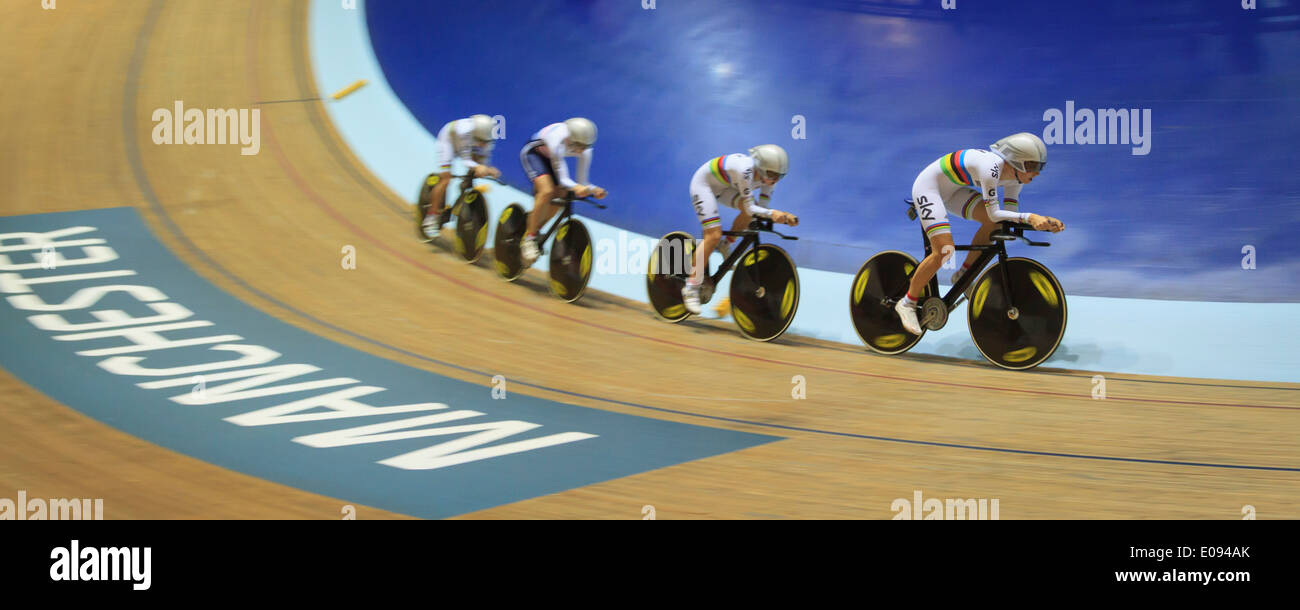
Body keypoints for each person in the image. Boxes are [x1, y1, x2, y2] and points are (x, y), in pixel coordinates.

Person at [895, 132, 1065, 335]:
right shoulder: (991, 168)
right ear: (1018, 162)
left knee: (997, 225)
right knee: (943, 252)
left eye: (1040, 167)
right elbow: (995, 213)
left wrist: (1043, 223)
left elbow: (1009, 216)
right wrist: (1030, 217)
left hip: (953, 190)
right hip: (929, 188)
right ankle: (907, 303)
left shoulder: (1017, 179)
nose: (1037, 173)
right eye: (1033, 166)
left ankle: (963, 274)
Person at [681, 145, 800, 315]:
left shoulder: (769, 176)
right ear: (760, 167)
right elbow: (752, 208)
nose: (775, 180)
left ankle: (726, 244)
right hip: (704, 186)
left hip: (726, 187)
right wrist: (774, 214)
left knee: (752, 213)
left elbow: (762, 207)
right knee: (712, 235)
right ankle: (691, 287)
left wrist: (780, 217)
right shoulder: (745, 171)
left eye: (780, 176)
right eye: (773, 175)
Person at [518, 118, 608, 265]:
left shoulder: (586, 149)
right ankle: (529, 238)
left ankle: (535, 228)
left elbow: (582, 182)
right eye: (579, 146)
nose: (582, 150)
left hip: (551, 158)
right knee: (547, 191)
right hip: (534, 153)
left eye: (586, 146)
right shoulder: (557, 140)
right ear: (570, 139)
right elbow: (564, 178)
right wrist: (577, 187)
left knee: (563, 196)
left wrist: (593, 189)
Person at [420, 114, 501, 241]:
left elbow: (483, 158)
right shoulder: (464, 132)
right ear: (475, 134)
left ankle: (464, 188)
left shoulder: (487, 137)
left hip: (468, 145)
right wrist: (479, 167)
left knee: (476, 169)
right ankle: (430, 217)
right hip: (448, 142)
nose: (484, 145)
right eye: (481, 141)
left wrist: (486, 169)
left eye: (486, 142)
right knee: (446, 179)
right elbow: (466, 160)